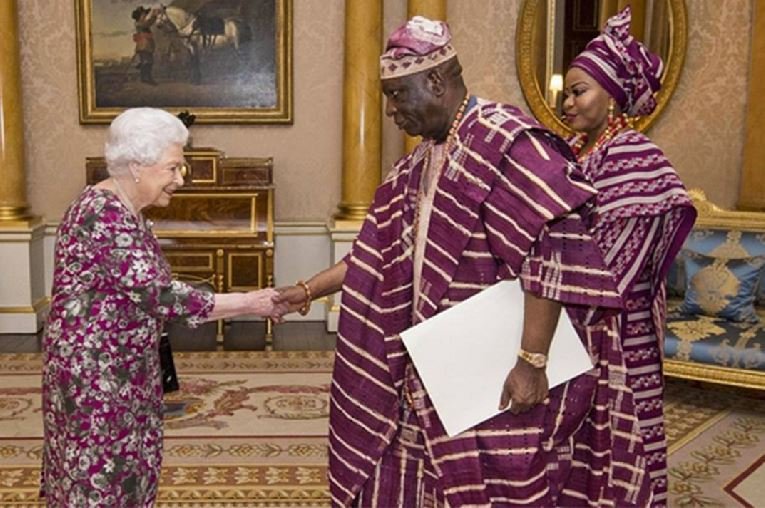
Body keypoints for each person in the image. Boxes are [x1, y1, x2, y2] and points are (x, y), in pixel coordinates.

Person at [274, 16, 659, 507]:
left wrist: (531, 362)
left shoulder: (508, 142)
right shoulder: (421, 158)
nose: (389, 110)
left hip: (494, 368)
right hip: (432, 363)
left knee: (503, 479)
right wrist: (307, 290)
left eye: (397, 94)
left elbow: (551, 254)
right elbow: (375, 255)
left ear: (435, 81)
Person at [40, 108, 286, 506]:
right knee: (98, 477)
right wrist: (250, 301)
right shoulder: (101, 215)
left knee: (130, 469)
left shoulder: (127, 211)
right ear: (137, 165)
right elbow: (162, 296)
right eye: (173, 168)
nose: (180, 179)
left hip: (125, 370)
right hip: (96, 379)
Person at [561, 7, 696, 505]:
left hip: (619, 327)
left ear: (613, 93)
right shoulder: (574, 152)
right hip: (572, 319)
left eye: (579, 91)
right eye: (568, 91)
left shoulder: (638, 158)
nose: (567, 101)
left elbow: (619, 264)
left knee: (619, 433)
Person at [132, 6, 159, 85]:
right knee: (147, 62)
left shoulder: (141, 22)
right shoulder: (139, 23)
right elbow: (147, 24)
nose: (144, 16)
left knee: (147, 61)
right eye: (143, 14)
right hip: (144, 45)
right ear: (139, 16)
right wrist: (154, 16)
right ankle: (148, 78)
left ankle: (144, 78)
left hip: (146, 45)